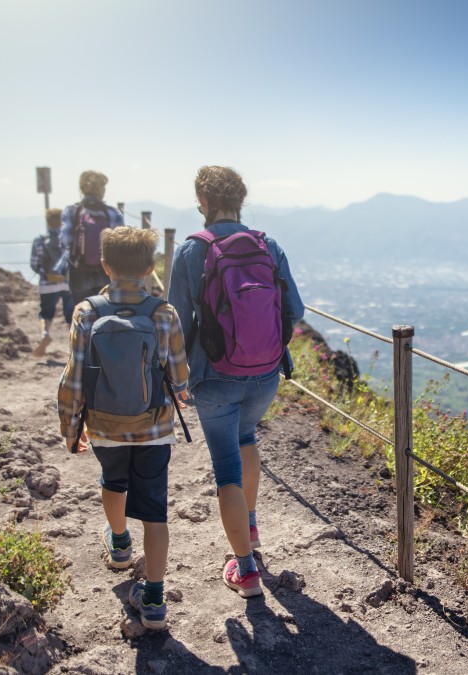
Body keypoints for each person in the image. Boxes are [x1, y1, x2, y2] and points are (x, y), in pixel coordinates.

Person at [167, 165, 304, 598]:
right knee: (247, 438)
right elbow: (295, 310)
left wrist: (177, 376)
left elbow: (173, 322)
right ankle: (250, 527)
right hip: (266, 375)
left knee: (225, 467)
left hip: (214, 377)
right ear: (240, 200)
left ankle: (245, 572)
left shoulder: (192, 251)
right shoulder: (268, 244)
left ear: (203, 202)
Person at [57, 227, 190, 629]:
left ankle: (118, 545)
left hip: (104, 424)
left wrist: (71, 425)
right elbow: (180, 376)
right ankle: (153, 599)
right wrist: (178, 392)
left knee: (113, 481)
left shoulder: (86, 311)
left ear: (105, 264)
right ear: (151, 266)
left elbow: (74, 377)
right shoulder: (164, 313)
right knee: (154, 508)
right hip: (153, 428)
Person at [56, 170, 126, 304]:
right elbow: (122, 244)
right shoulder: (113, 213)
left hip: (79, 270)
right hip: (106, 270)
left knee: (82, 312)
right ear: (102, 190)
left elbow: (65, 241)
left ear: (82, 189)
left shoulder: (71, 211)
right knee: (105, 311)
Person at [29, 207, 73, 357]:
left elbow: (35, 264)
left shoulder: (40, 240)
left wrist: (45, 275)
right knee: (71, 315)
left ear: (48, 222)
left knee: (45, 313)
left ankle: (44, 335)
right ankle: (74, 346)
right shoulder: (69, 240)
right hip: (68, 283)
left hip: (48, 283)